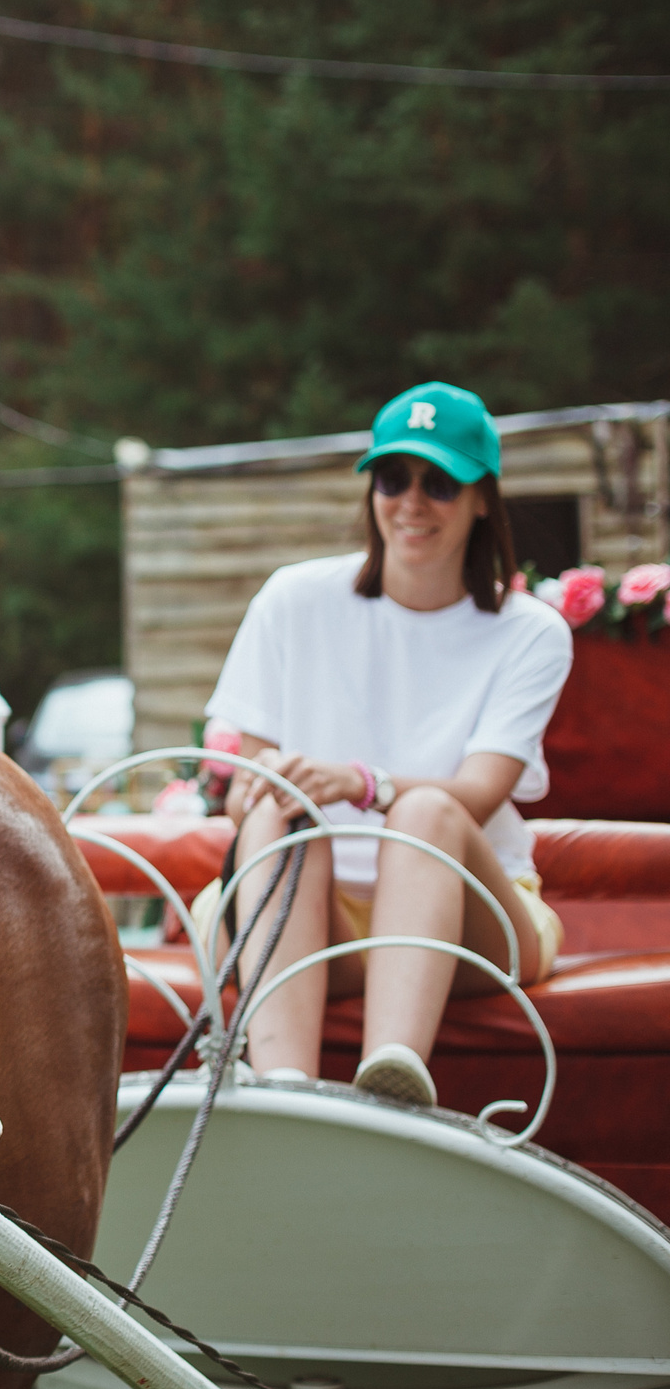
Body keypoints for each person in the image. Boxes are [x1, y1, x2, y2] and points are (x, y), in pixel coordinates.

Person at [207, 381, 573, 1106]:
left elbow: (477, 793)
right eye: (392, 476)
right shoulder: (293, 598)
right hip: (318, 914)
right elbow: (252, 774)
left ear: (482, 500)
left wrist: (362, 782)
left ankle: (392, 1083)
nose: (411, 501)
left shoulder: (532, 631)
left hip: (474, 919)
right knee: (279, 813)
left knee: (426, 813)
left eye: (439, 482)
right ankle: (285, 1089)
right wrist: (258, 783)